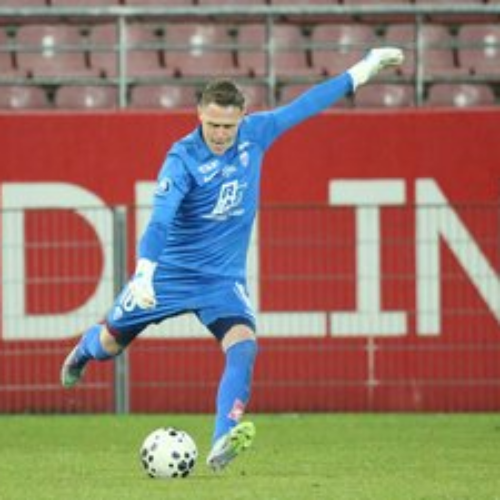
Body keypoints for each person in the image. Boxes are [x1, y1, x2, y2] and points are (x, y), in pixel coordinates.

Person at [61, 47, 404, 471]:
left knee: (243, 345)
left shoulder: (256, 133)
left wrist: (364, 68)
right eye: (213, 124)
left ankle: (223, 437)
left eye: (228, 125)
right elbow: (160, 221)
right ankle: (82, 351)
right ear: (199, 115)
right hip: (167, 276)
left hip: (221, 281)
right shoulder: (182, 159)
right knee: (110, 344)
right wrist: (145, 274)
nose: (221, 133)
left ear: (242, 116)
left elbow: (307, 105)